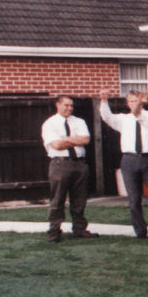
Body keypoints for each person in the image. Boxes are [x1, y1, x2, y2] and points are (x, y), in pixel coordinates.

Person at [99, 88, 148, 239]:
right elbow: (106, 116)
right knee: (134, 198)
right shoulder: (123, 119)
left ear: (142, 101)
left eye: (136, 100)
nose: (134, 104)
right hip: (129, 160)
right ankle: (140, 231)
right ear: (127, 103)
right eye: (131, 101)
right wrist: (104, 101)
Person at [40, 94, 96, 241]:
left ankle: (79, 229)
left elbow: (86, 139)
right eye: (66, 105)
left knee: (79, 199)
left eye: (71, 105)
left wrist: (66, 138)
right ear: (57, 105)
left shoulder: (79, 121)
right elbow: (56, 145)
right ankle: (54, 231)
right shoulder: (49, 124)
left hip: (79, 164)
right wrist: (75, 140)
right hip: (60, 164)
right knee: (57, 199)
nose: (69, 108)